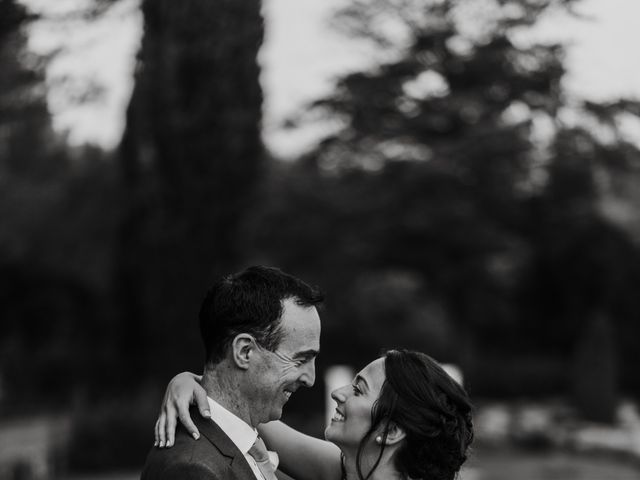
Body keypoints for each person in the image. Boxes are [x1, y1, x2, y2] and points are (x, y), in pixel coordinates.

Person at [156, 349, 474, 480]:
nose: (338, 392)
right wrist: (192, 381)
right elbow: (246, 417)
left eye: (358, 389)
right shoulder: (348, 470)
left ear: (391, 432)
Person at [141, 265, 323, 480]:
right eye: (300, 359)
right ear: (244, 351)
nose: (310, 379)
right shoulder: (191, 470)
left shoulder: (244, 449)